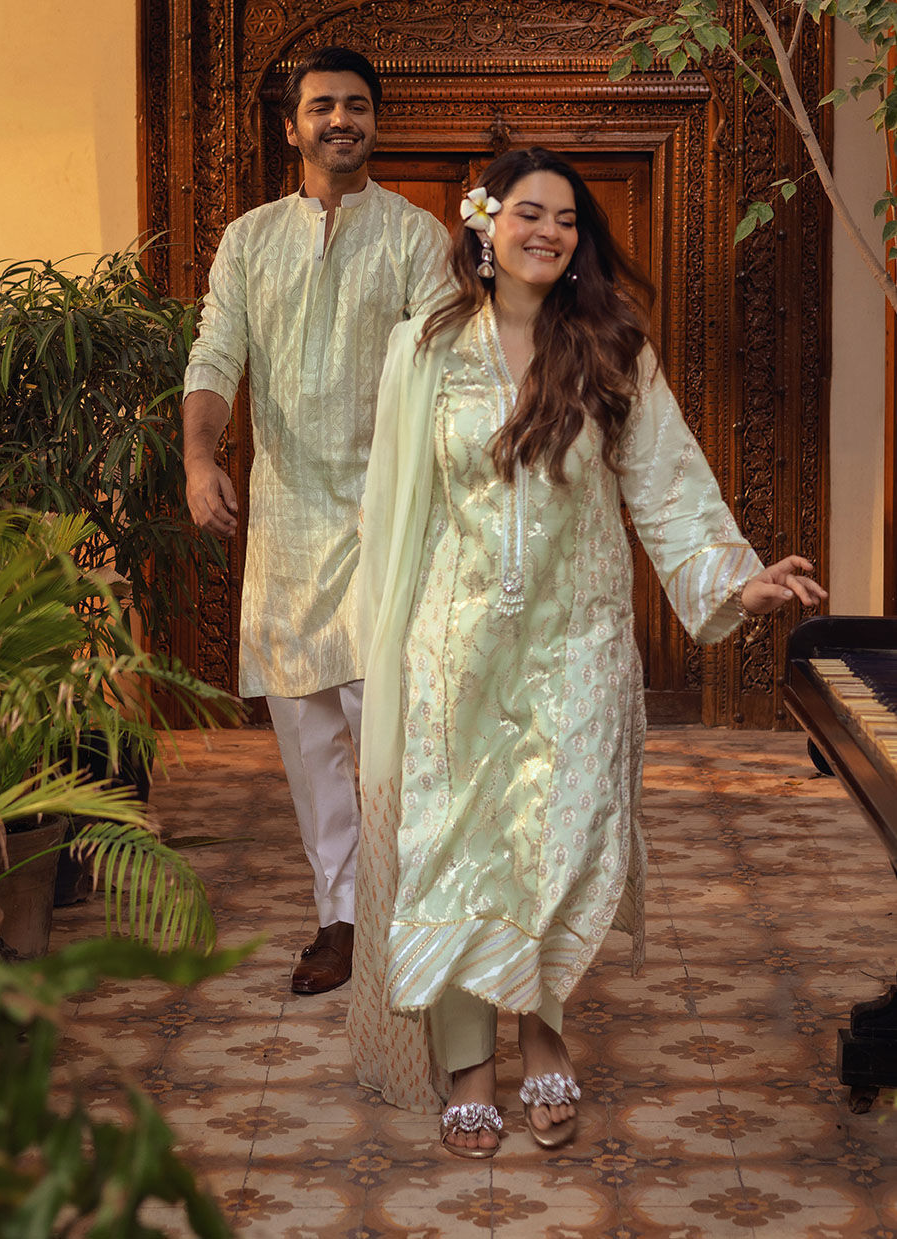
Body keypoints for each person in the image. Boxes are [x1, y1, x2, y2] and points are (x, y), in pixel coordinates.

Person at [347, 147, 826, 1154]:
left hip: (579, 640)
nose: (550, 232)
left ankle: (544, 1031)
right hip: (458, 644)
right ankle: (469, 1060)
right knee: (461, 844)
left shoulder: (613, 350)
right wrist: (383, 642)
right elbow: (393, 508)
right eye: (530, 212)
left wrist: (734, 578)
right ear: (486, 224)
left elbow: (668, 482)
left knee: (560, 838)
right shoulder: (424, 350)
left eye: (568, 219)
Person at [182, 46, 449, 995]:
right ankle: (340, 920)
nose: (343, 119)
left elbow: (449, 366)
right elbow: (216, 353)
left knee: (391, 743)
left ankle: (402, 917)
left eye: (358, 105)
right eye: (324, 105)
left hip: (390, 523)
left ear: (376, 122)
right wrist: (201, 457)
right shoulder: (249, 240)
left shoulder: (415, 236)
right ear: (292, 126)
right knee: (309, 746)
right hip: (289, 528)